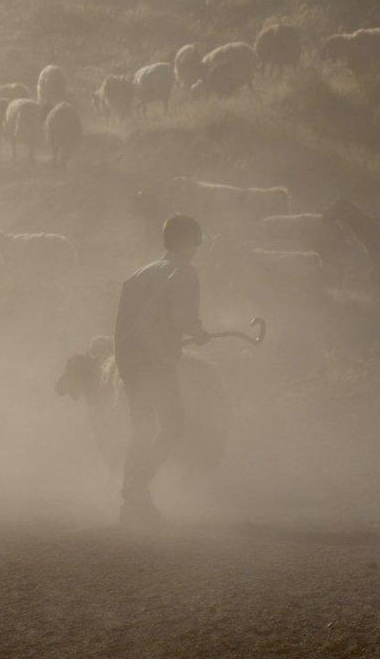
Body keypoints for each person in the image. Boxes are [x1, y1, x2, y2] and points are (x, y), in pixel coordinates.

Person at [113, 213, 210, 526]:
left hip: (129, 361)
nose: (196, 248)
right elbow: (182, 319)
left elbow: (125, 322)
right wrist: (197, 331)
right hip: (156, 363)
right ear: (185, 241)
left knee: (142, 427)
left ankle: (131, 499)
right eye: (195, 242)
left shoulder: (140, 273)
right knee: (173, 425)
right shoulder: (183, 272)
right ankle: (137, 487)